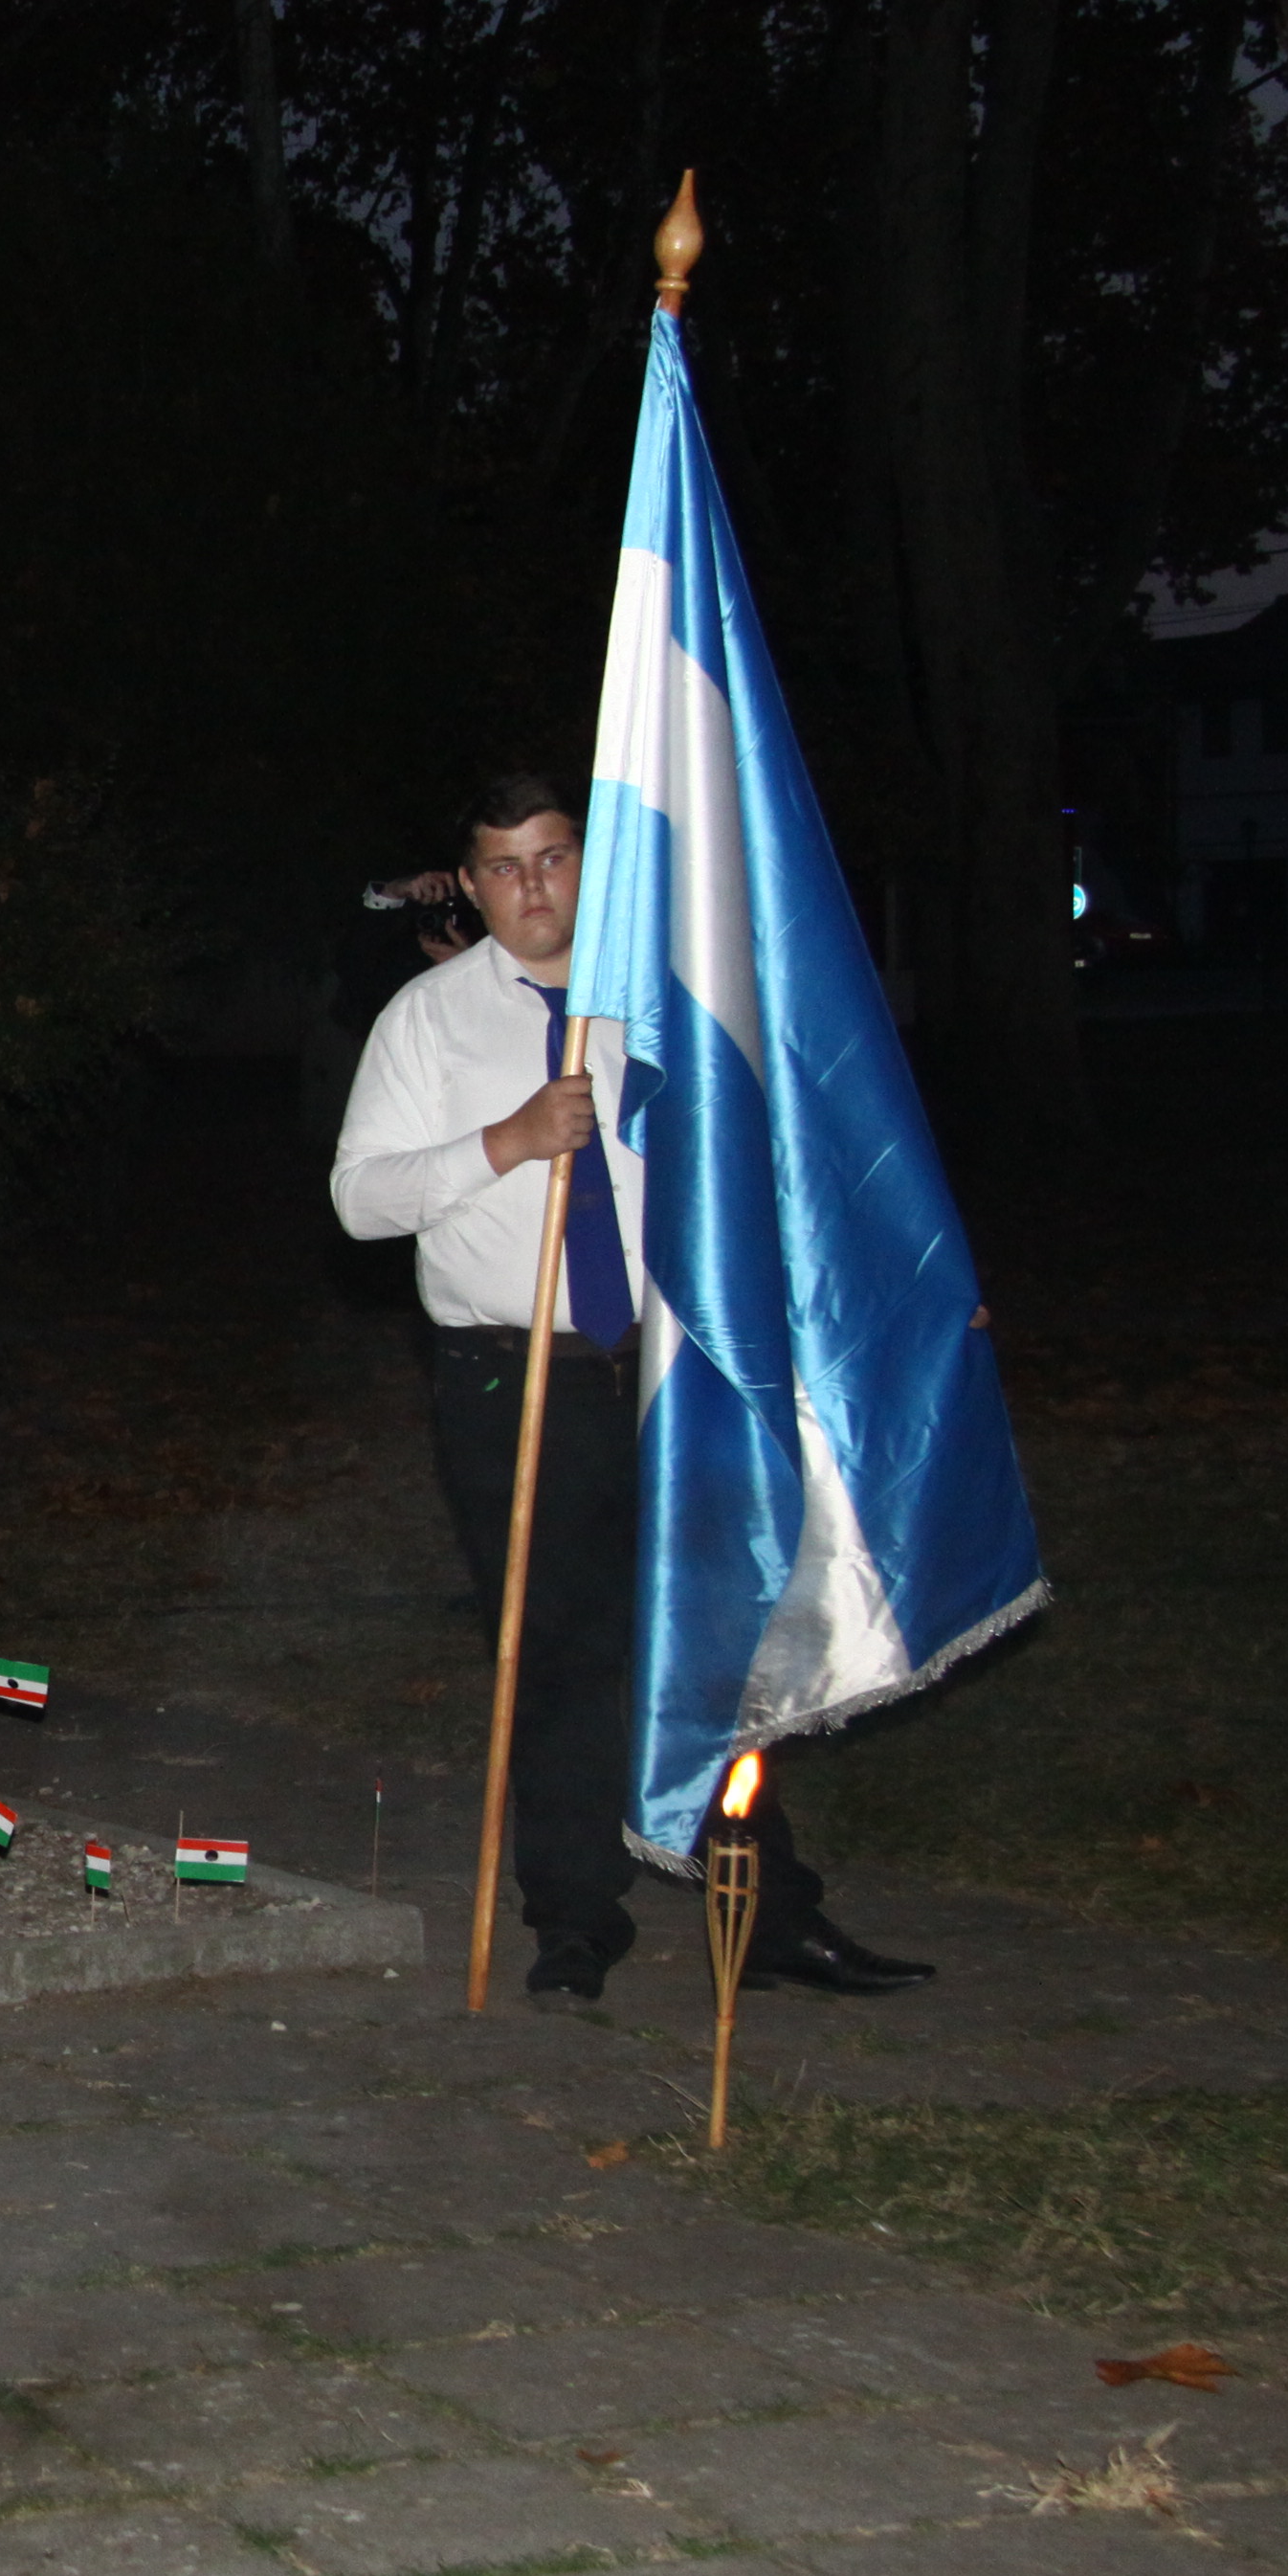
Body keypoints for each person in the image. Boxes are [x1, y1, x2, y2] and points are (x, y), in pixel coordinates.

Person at [330, 773, 933, 2007]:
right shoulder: (429, 1020)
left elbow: (768, 1161)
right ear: (471, 884)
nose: (533, 887)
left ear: (589, 863)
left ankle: (764, 1914)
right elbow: (359, 1199)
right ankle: (573, 1924)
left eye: (553, 858)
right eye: (505, 867)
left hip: (669, 1371)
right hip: (516, 1376)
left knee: (716, 1640)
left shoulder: (662, 1001)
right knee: (557, 1655)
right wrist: (505, 1143)